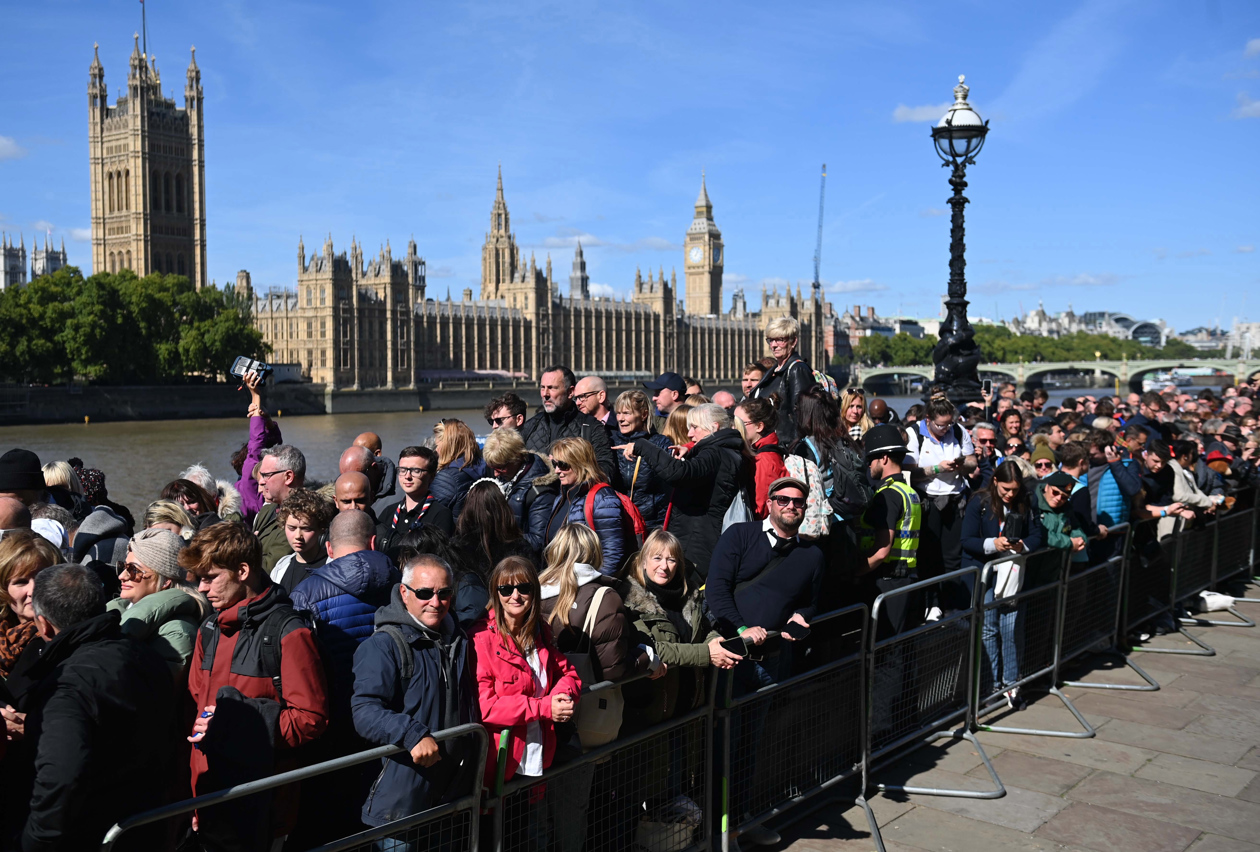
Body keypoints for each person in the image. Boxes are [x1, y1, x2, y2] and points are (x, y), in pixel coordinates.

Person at [183, 522, 330, 851]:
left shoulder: (289, 632)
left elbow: (310, 718)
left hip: (261, 804)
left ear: (243, 571)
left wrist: (238, 726)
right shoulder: (209, 627)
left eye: (211, 577)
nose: (202, 588)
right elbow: (198, 708)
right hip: (206, 797)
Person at [17, 563, 175, 852]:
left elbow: (61, 777)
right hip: (145, 828)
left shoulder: (69, 684)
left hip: (95, 835)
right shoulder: (144, 654)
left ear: (44, 625)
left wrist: (32, 842)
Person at [704, 477, 821, 848]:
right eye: (783, 499)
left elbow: (810, 601)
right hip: (730, 661)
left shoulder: (812, 555)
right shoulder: (739, 536)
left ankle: (738, 822)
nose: (791, 506)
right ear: (769, 503)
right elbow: (717, 591)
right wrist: (740, 628)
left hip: (771, 661)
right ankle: (714, 831)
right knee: (721, 745)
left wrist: (801, 618)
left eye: (798, 502)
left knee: (750, 746)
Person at [350, 552, 479, 837]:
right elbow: (364, 711)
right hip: (402, 804)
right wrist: (410, 733)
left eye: (444, 593)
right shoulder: (383, 645)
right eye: (424, 593)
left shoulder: (459, 638)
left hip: (452, 798)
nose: (436, 602)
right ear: (404, 593)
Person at [470, 556, 581, 786]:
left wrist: (562, 697)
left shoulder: (539, 631)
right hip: (501, 763)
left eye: (523, 587)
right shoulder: (480, 639)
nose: (515, 595)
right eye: (506, 588)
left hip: (538, 757)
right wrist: (545, 707)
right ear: (496, 593)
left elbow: (569, 675)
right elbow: (487, 707)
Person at [620, 530, 737, 732]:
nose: (664, 566)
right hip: (654, 714)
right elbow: (653, 649)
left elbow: (703, 629)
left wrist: (715, 640)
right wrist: (707, 653)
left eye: (671, 559)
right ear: (643, 561)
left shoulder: (689, 594)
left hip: (691, 707)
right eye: (657, 558)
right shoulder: (629, 600)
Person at [292, 510, 400, 727]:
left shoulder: (305, 594)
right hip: (395, 710)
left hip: (335, 714)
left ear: (329, 548)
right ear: (373, 542)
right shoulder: (402, 582)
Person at [623, 403, 750, 578]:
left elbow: (678, 473)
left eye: (695, 427)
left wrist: (643, 446)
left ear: (714, 427)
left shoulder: (715, 453)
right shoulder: (728, 451)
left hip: (698, 543)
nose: (690, 433)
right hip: (704, 538)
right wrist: (691, 451)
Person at [961, 460, 1044, 709]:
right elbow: (966, 540)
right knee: (989, 629)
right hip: (986, 574)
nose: (1010, 494)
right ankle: (992, 685)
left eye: (1014, 490)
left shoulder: (1025, 500)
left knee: (1010, 629)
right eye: (1006, 489)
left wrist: (1022, 546)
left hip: (1012, 573)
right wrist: (993, 544)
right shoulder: (980, 502)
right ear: (995, 482)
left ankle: (1011, 684)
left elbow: (1037, 534)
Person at [539, 523, 648, 686]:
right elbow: (613, 671)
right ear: (594, 552)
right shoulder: (605, 597)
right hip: (584, 699)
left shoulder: (529, 593)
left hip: (539, 699)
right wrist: (647, 658)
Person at [906, 393, 977, 612]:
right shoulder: (915, 433)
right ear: (928, 419)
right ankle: (931, 604)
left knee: (952, 555)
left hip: (955, 499)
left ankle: (951, 604)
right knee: (929, 554)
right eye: (940, 425)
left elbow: (973, 461)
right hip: (928, 500)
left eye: (948, 424)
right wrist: (937, 469)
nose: (945, 429)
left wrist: (961, 465)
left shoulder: (958, 430)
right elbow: (909, 472)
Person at [107, 527, 210, 676]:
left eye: (133, 570)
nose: (122, 576)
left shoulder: (177, 632)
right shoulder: (119, 609)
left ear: (165, 581)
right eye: (123, 567)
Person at [855, 425, 923, 637]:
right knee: (904, 652)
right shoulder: (909, 491)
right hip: (908, 579)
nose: (869, 465)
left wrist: (856, 572)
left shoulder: (887, 495)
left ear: (883, 459)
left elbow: (883, 549)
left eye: (870, 459)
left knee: (884, 654)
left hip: (888, 583)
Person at [543, 436, 631, 575]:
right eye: (555, 464)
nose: (557, 471)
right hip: (564, 580)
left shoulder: (602, 498)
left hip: (584, 585)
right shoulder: (562, 496)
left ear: (580, 464)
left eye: (563, 465)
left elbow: (613, 553)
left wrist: (593, 586)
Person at [521, 365, 618, 483]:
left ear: (570, 392)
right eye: (542, 388)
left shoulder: (591, 427)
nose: (545, 394)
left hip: (574, 499)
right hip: (537, 500)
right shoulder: (531, 426)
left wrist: (570, 470)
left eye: (552, 388)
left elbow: (606, 471)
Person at [451, 480, 529, 618]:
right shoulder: (520, 546)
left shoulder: (455, 547)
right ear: (503, 508)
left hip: (469, 620)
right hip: (512, 618)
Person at [483, 429, 558, 554]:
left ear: (518, 458)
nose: (495, 473)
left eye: (501, 467)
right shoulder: (504, 476)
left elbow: (538, 542)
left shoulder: (540, 492)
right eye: (491, 467)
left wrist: (499, 535)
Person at [377, 445, 456, 560]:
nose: (408, 476)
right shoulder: (388, 512)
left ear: (432, 476)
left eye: (416, 471)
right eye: (403, 470)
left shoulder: (441, 514)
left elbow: (440, 558)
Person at [0, 531, 59, 678]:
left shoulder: (65, 639)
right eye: (21, 582)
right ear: (3, 589)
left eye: (42, 578)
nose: (33, 590)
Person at [610, 389, 673, 527]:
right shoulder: (610, 442)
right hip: (619, 521)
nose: (620, 419)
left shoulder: (660, 443)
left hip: (651, 523)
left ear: (644, 414)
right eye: (618, 413)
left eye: (627, 413)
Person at [750, 316, 818, 444]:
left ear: (793, 342)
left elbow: (803, 418)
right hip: (767, 443)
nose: (774, 345)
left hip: (784, 447)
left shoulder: (797, 370)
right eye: (771, 340)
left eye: (780, 340)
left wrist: (792, 449)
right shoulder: (774, 370)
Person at [235, 370, 283, 527]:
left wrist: (267, 421)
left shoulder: (244, 488)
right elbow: (257, 445)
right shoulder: (250, 485)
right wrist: (256, 396)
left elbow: (273, 446)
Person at [271, 488, 337, 595]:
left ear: (321, 528)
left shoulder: (332, 566)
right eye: (292, 528)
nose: (298, 536)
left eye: (306, 529)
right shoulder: (281, 566)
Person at [254, 443, 307, 573]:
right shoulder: (268, 509)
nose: (261, 481)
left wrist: (242, 549)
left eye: (266, 475)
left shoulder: (302, 518)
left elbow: (268, 569)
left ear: (288, 477)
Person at [735, 397, 788, 517]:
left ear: (759, 426)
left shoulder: (764, 459)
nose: (734, 428)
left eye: (739, 423)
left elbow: (761, 509)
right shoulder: (757, 453)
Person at [431, 419, 487, 521]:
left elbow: (431, 516)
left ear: (447, 446)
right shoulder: (483, 467)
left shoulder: (446, 478)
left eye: (437, 445)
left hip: (454, 534)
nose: (436, 450)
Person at [354, 431, 397, 501]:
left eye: (360, 454)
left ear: (377, 454)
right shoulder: (342, 481)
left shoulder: (400, 489)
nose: (354, 457)